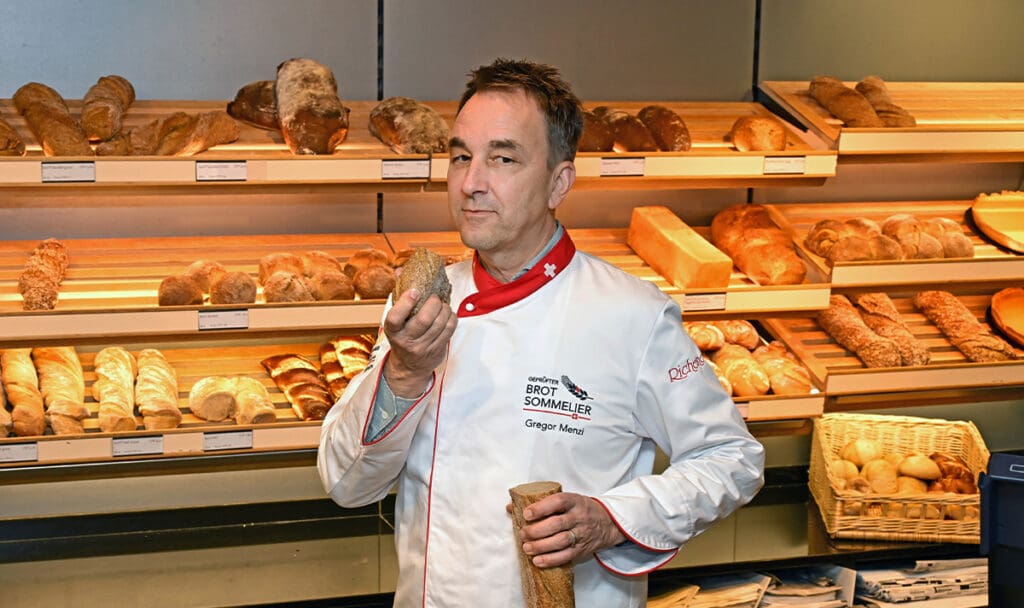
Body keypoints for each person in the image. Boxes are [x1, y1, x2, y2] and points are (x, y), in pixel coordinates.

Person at [318, 58, 765, 607]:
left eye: (503, 158)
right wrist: (405, 373)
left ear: (559, 182)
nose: (471, 184)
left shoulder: (632, 316)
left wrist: (612, 518)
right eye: (461, 157)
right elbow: (347, 484)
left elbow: (732, 458)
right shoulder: (422, 305)